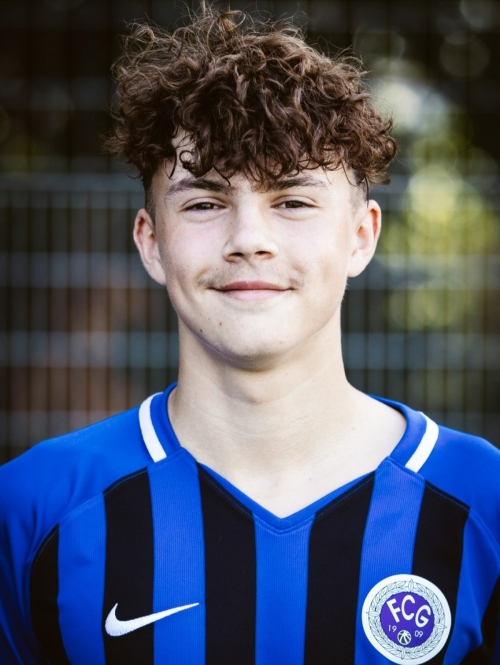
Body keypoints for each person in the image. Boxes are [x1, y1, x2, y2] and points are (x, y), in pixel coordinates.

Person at [0, 6, 499, 665]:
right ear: (151, 243)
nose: (249, 240)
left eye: (292, 200)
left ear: (361, 236)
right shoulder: (31, 507)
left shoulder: (485, 501)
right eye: (205, 202)